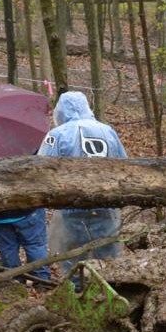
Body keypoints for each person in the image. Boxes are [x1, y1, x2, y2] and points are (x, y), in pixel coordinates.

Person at [39, 91, 127, 275]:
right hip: (106, 207)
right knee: (108, 259)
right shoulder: (107, 130)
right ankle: (110, 291)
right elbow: (124, 165)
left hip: (72, 210)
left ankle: (79, 295)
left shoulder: (57, 134)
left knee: (74, 262)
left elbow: (42, 169)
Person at [0, 208, 50, 284]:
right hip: (28, 211)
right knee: (35, 245)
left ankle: (15, 280)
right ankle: (42, 281)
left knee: (8, 249)